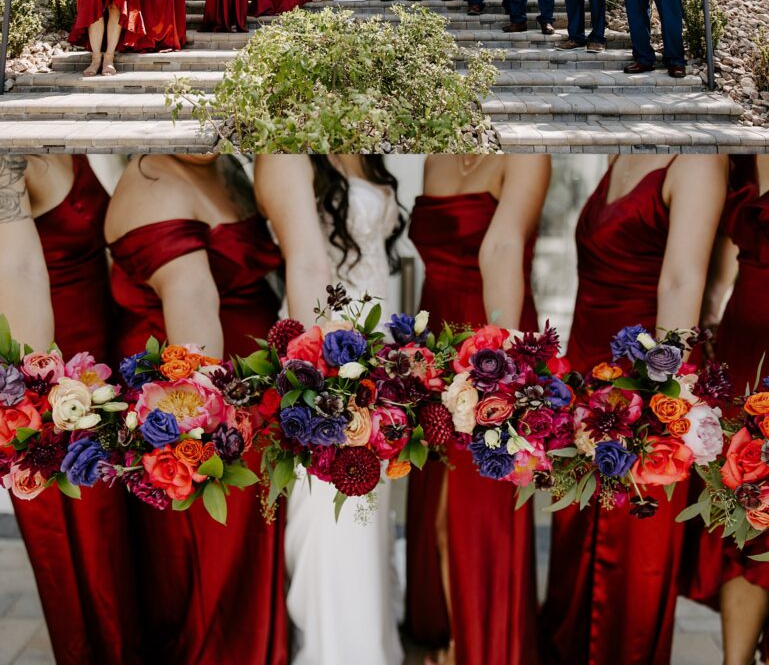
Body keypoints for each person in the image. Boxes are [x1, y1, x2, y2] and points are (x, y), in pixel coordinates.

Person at [542, 153, 728, 665]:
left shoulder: (696, 161)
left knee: (630, 568)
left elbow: (681, 284)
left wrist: (656, 408)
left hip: (640, 400)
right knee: (571, 557)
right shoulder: (622, 150)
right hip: (583, 390)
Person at [105, 154, 289, 665]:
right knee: (209, 571)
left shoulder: (224, 164)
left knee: (246, 564)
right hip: (199, 414)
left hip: (248, 404)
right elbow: (194, 312)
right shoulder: (152, 183)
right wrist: (204, 434)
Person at [256, 155, 406, 665]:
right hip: (328, 359)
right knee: (336, 520)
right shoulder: (286, 152)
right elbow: (306, 264)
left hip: (379, 359)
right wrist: (325, 387)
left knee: (369, 517)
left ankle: (373, 646)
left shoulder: (362, 145)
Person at [406, 154, 551, 665]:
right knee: (437, 504)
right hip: (437, 338)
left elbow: (504, 246)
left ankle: (482, 644)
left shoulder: (529, 156)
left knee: (477, 506)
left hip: (492, 327)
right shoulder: (434, 158)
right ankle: (446, 631)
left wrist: (499, 363)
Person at [0, 155, 141, 665]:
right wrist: (48, 404)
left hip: (103, 369)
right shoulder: (7, 155)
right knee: (82, 546)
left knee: (116, 539)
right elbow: (16, 271)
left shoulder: (66, 130)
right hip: (60, 390)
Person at [684, 154, 769, 665]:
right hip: (741, 355)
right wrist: (709, 318)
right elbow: (717, 249)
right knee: (746, 515)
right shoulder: (737, 152)